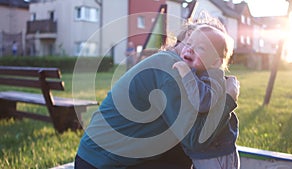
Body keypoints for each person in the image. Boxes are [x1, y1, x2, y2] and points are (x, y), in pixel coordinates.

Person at [75, 18, 240, 169]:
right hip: (100, 164)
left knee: (176, 148)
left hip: (100, 158)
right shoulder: (172, 69)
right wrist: (228, 98)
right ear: (187, 38)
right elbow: (196, 140)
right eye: (193, 43)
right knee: (181, 150)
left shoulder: (172, 63)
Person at [172, 25, 240, 169]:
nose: (190, 49)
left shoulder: (214, 77)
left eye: (200, 48)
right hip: (204, 152)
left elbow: (203, 102)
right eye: (189, 44)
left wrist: (186, 73)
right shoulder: (198, 72)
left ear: (216, 62)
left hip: (217, 154)